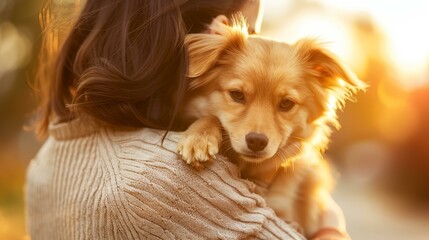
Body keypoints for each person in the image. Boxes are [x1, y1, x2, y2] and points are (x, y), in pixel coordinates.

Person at [26, 0, 346, 239]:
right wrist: (331, 224)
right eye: (250, 34)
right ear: (196, 41)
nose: (257, 49)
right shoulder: (175, 180)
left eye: (286, 103)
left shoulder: (44, 163)